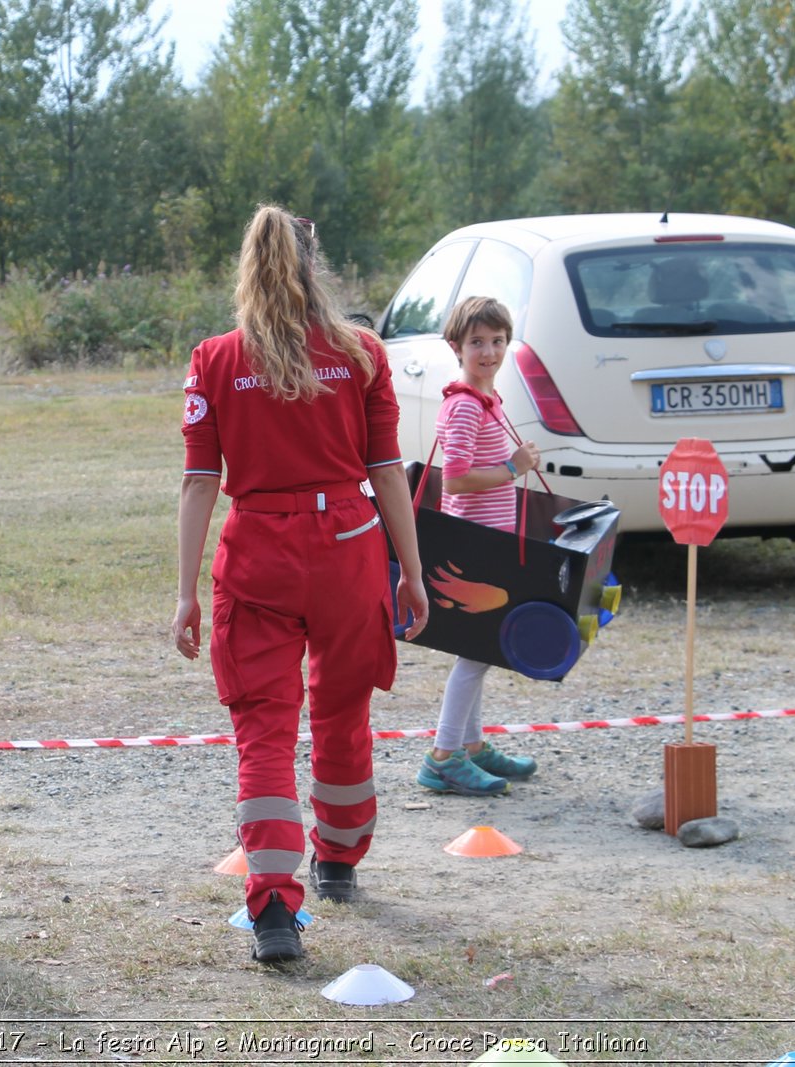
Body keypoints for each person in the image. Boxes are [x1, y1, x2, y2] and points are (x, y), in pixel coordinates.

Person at [173, 205, 429, 964]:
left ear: (246, 267)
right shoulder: (362, 354)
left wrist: (185, 591)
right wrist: (411, 573)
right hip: (350, 547)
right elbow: (387, 470)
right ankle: (341, 857)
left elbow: (197, 482)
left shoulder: (214, 359)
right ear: (315, 265)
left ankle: (276, 908)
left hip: (259, 552)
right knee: (344, 710)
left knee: (264, 730)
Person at [414, 296, 542, 797]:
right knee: (475, 655)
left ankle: (471, 747)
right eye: (476, 343)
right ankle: (443, 757)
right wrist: (513, 469)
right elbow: (457, 482)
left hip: (490, 543)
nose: (488, 352)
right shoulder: (465, 406)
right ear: (456, 347)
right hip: (472, 548)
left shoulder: (487, 401)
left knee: (482, 649)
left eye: (497, 341)